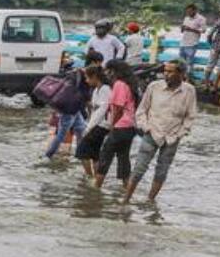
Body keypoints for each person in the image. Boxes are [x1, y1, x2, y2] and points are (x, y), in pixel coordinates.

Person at [123, 60, 197, 204]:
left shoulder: (189, 90)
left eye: (170, 72)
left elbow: (190, 116)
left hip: (172, 137)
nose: (166, 74)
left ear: (181, 74)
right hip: (152, 133)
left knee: (162, 170)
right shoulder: (154, 87)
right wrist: (146, 127)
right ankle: (126, 200)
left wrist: (180, 134)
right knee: (139, 168)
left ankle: (150, 201)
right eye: (165, 71)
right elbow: (142, 110)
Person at [90, 59, 140, 191]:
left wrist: (112, 125)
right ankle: (127, 190)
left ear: (113, 71)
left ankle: (96, 188)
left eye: (107, 70)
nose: (106, 73)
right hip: (130, 127)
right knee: (123, 158)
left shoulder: (119, 84)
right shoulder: (130, 84)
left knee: (105, 157)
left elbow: (118, 107)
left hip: (120, 127)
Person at [45, 61, 90, 159]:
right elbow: (86, 98)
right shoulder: (84, 79)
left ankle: (80, 154)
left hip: (73, 108)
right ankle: (49, 154)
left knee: (80, 129)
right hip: (70, 109)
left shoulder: (73, 76)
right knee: (62, 133)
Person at [74, 65, 111, 180]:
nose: (86, 80)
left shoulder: (105, 89)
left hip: (102, 125)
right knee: (95, 154)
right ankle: (96, 178)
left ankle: (90, 176)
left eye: (88, 78)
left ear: (95, 77)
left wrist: (88, 127)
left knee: (81, 151)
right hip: (97, 125)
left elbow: (102, 110)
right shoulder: (96, 90)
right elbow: (94, 110)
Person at [180, 4, 206, 76]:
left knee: (189, 63)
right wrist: (182, 28)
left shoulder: (201, 18)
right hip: (183, 43)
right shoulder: (186, 18)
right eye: (187, 12)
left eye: (190, 11)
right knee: (181, 63)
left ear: (195, 10)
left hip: (192, 43)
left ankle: (188, 78)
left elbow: (203, 30)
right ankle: (181, 77)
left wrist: (191, 29)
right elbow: (182, 31)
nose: (188, 13)